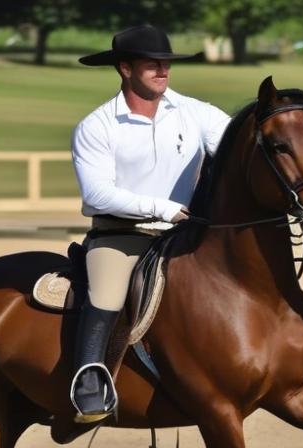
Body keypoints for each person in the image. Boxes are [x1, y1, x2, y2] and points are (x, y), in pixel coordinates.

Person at [70, 25, 230, 423]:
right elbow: (96, 195)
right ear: (125, 68)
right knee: (107, 294)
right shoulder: (98, 126)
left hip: (187, 235)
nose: (162, 70)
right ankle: (90, 379)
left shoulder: (197, 113)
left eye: (166, 63)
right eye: (151, 64)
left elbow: (238, 143)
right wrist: (163, 208)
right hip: (121, 237)